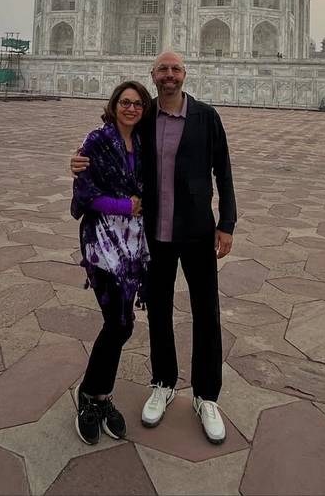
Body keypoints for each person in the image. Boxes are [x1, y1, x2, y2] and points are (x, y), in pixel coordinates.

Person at [71, 51, 236, 444]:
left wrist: (226, 223)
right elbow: (110, 147)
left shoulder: (206, 117)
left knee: (206, 313)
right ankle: (162, 382)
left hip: (196, 231)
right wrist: (77, 162)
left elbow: (224, 171)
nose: (169, 76)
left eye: (175, 69)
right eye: (163, 70)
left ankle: (205, 395)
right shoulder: (145, 120)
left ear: (184, 74)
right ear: (154, 75)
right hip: (153, 235)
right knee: (158, 310)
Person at [70, 79, 153, 446]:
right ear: (114, 104)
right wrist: (125, 205)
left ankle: (99, 396)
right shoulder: (97, 141)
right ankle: (91, 396)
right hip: (103, 243)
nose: (131, 108)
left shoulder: (146, 146)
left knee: (122, 323)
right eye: (125, 102)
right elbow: (85, 193)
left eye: (137, 104)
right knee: (117, 321)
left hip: (134, 245)